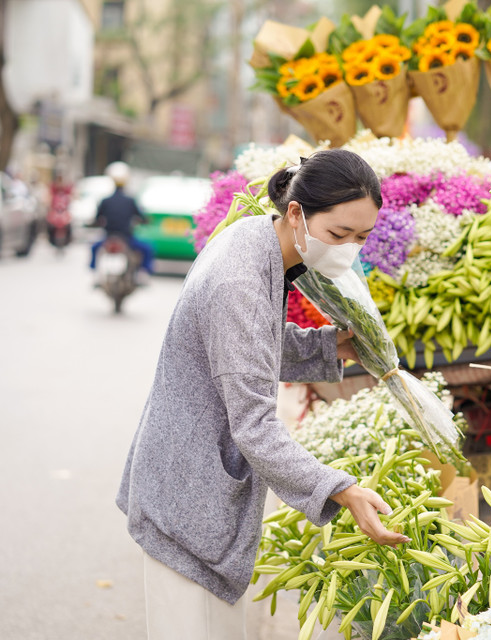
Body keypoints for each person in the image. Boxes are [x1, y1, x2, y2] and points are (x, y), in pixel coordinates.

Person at [116, 149, 409, 639]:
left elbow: (246, 348)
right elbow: (254, 425)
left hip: (191, 484)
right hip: (188, 498)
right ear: (296, 212)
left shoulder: (258, 239)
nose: (349, 250)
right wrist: (342, 488)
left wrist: (328, 346)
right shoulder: (241, 280)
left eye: (361, 238)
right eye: (339, 235)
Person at [90, 161, 155, 274]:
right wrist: (145, 221)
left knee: (94, 247)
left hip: (108, 237)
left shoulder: (106, 201)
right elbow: (141, 217)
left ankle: (94, 272)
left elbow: (97, 219)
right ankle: (144, 273)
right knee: (147, 248)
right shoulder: (130, 201)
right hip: (126, 238)